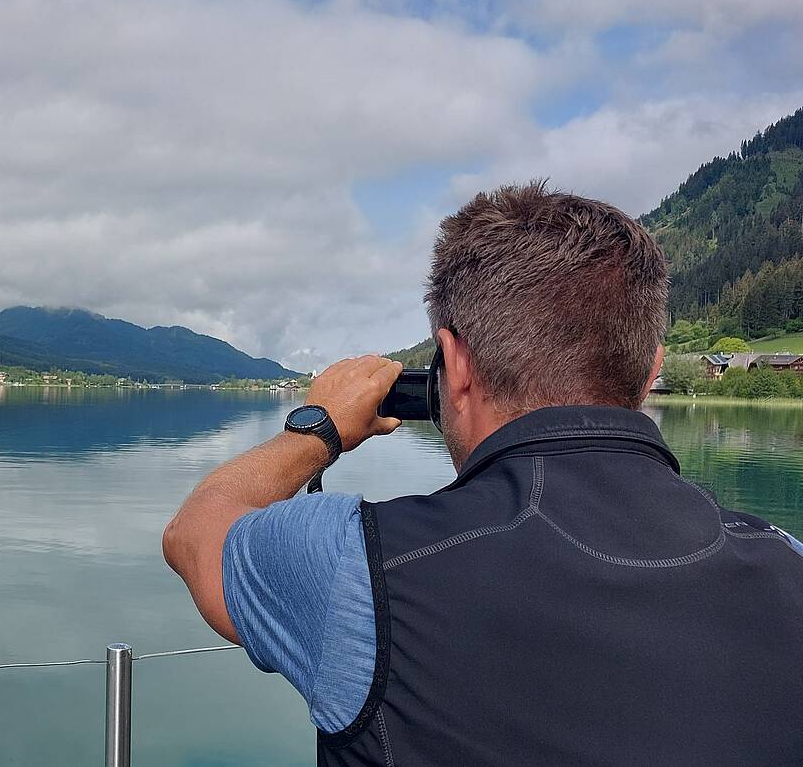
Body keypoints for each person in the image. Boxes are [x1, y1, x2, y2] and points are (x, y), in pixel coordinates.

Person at [163, 182, 803, 766]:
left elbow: (195, 534)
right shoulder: (786, 562)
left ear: (452, 364)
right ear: (652, 367)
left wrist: (319, 427)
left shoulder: (358, 567)